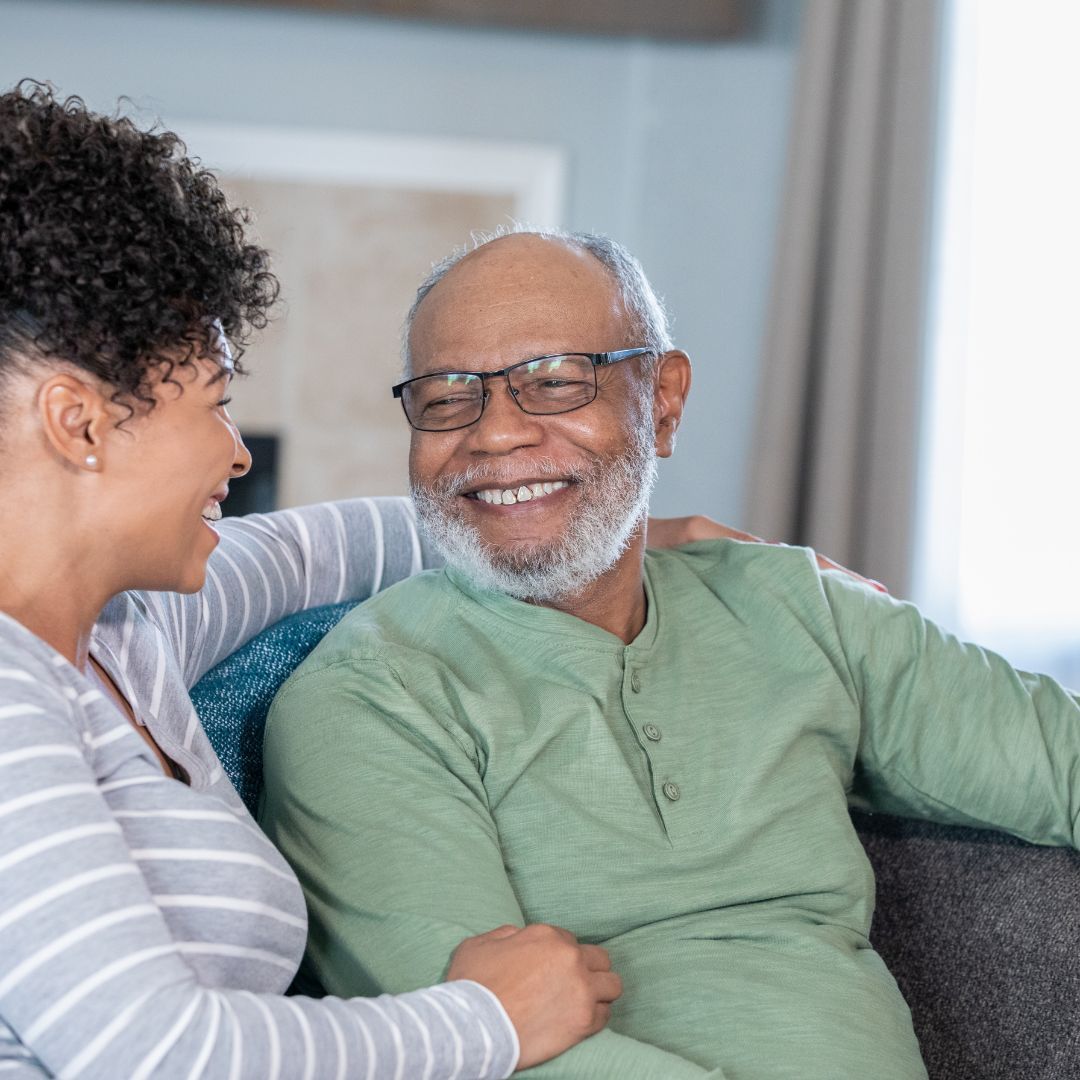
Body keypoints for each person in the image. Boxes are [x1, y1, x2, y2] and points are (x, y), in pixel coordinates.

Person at [259, 228, 1080, 1080]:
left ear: (664, 401)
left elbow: (1062, 763)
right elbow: (474, 1048)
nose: (494, 434)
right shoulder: (368, 697)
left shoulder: (800, 609)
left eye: (554, 382)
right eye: (446, 396)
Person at [0, 83, 641, 1078]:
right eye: (214, 403)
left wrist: (596, 527)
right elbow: (160, 1053)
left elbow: (328, 549)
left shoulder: (131, 634)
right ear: (78, 422)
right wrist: (490, 1021)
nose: (234, 453)